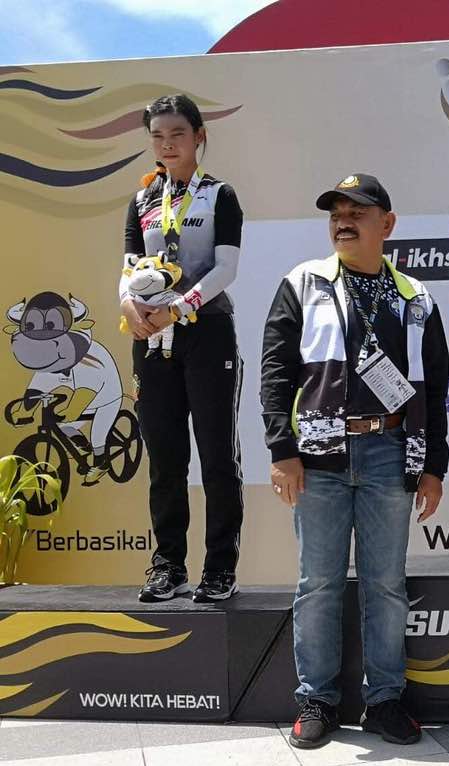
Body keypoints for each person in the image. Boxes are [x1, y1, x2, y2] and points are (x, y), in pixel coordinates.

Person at [261, 173, 449, 750]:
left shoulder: (417, 297)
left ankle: (384, 700)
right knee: (318, 583)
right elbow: (275, 372)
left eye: (357, 212)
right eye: (336, 213)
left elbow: (436, 388)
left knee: (386, 585)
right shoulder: (303, 282)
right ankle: (316, 699)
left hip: (390, 451)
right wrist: (282, 450)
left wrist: (434, 466)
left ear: (386, 225)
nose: (343, 221)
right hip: (318, 455)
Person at [122, 94, 244, 603]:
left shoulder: (219, 195)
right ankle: (168, 565)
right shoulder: (142, 199)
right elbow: (129, 267)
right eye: (158, 136)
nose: (167, 144)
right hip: (152, 338)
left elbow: (225, 269)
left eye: (177, 134)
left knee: (216, 457)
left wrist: (179, 307)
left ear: (199, 137)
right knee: (165, 460)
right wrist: (128, 305)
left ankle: (219, 568)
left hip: (207, 332)